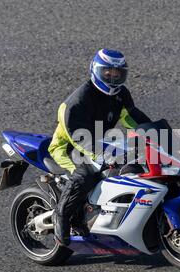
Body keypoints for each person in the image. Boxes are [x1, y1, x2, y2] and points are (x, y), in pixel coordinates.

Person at [48, 49, 151, 246]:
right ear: (96, 70)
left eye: (117, 73)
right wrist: (101, 154)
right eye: (108, 72)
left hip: (98, 142)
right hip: (69, 146)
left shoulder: (121, 94)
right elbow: (78, 136)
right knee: (85, 174)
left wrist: (159, 135)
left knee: (130, 165)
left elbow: (131, 117)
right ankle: (61, 215)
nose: (113, 77)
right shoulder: (78, 101)